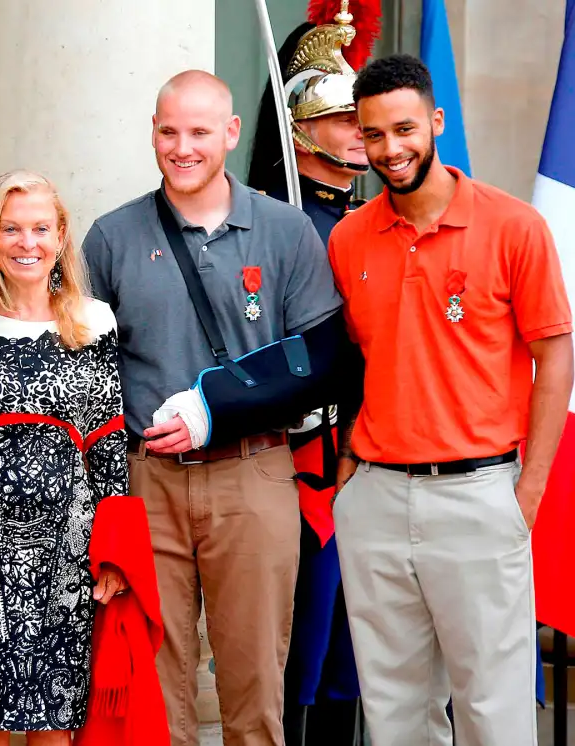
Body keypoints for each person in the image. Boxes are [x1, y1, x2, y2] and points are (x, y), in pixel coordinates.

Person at [83, 70, 345, 746]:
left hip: (252, 473)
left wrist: (217, 409)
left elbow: (322, 363)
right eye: (168, 131)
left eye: (200, 131)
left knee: (255, 685)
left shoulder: (285, 232)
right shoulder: (111, 238)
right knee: (155, 690)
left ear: (230, 133)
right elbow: (90, 378)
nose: (183, 147)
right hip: (150, 483)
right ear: (153, 134)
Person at [328, 54, 574, 746]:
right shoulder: (349, 239)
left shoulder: (514, 227)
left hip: (480, 495)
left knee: (492, 713)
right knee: (395, 714)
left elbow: (556, 353)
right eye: (373, 134)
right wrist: (349, 475)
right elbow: (356, 363)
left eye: (404, 129)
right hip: (375, 499)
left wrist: (527, 490)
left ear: (435, 122)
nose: (390, 149)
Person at [0, 170, 163, 745]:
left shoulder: (94, 321)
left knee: (57, 725)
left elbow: (109, 448)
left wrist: (113, 554)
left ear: (61, 235)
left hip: (71, 551)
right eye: (11, 229)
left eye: (40, 228)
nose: (27, 243)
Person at [247, 5, 380, 744]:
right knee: (297, 654)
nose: (358, 131)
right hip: (295, 467)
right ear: (303, 128)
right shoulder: (274, 223)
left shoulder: (369, 225)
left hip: (366, 462)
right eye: (342, 118)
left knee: (353, 661)